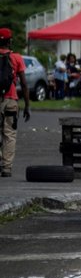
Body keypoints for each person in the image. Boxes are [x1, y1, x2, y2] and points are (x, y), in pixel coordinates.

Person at [0, 27, 30, 177]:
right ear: (10, 41)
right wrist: (27, 106)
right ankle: (6, 168)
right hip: (11, 100)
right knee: (9, 134)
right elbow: (24, 84)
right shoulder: (16, 58)